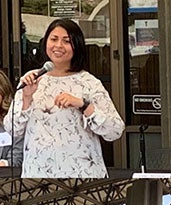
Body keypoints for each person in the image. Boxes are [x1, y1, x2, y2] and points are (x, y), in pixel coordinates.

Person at [12, 18, 124, 178]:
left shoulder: (89, 82)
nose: (58, 46)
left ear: (76, 46)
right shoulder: (31, 80)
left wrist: (84, 105)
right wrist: (27, 97)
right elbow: (11, 131)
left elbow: (115, 131)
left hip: (83, 175)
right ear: (45, 42)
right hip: (38, 175)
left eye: (66, 41)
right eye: (54, 39)